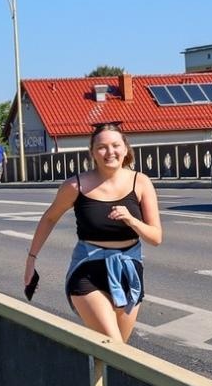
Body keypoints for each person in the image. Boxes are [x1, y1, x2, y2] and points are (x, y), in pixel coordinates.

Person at [23, 125, 163, 343]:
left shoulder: (141, 182)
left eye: (116, 145)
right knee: (113, 346)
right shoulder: (75, 185)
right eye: (102, 147)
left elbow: (155, 237)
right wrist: (31, 260)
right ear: (92, 153)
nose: (110, 152)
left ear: (125, 149)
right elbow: (49, 218)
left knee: (118, 355)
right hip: (88, 270)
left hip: (129, 271)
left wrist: (132, 220)